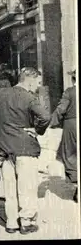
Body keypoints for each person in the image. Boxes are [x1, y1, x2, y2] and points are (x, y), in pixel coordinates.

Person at [0, 67, 50, 234]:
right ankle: (26, 221)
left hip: (3, 146)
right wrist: (36, 130)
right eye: (37, 83)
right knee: (27, 186)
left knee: (10, 186)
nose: (37, 87)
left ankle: (11, 222)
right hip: (25, 147)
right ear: (29, 80)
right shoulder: (29, 97)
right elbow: (45, 117)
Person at [50, 69, 77, 202]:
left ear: (73, 79)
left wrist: (51, 122)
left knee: (70, 153)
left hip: (72, 125)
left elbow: (61, 109)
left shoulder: (69, 92)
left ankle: (77, 183)